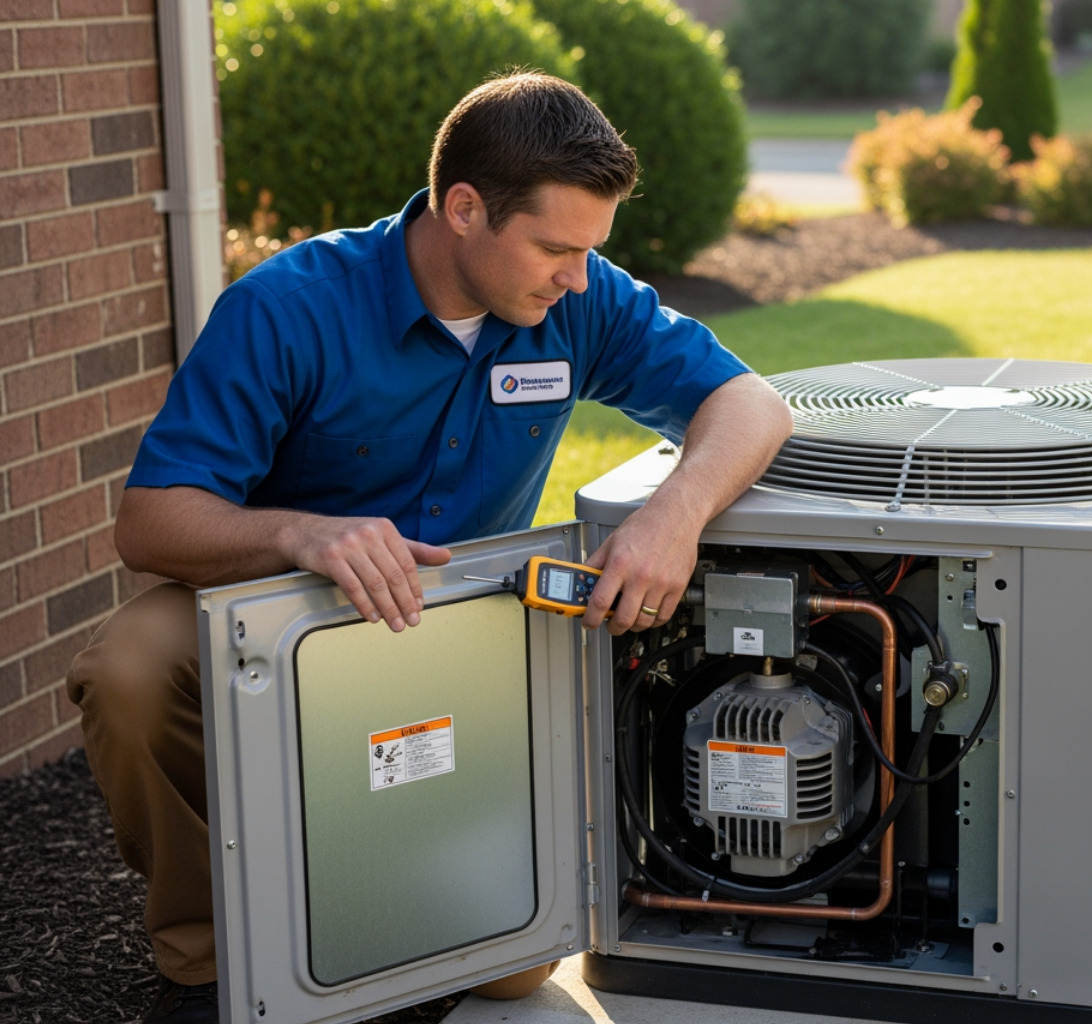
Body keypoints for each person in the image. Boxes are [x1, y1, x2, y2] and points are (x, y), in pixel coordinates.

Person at [65, 72, 793, 1023]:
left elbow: (751, 402)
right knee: (128, 667)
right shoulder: (287, 308)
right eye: (556, 248)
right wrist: (299, 531)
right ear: (464, 209)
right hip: (285, 623)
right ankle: (212, 956)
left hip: (466, 640)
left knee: (512, 976)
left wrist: (674, 514)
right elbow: (150, 521)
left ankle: (390, 894)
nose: (576, 277)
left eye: (588, 252)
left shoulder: (579, 300)